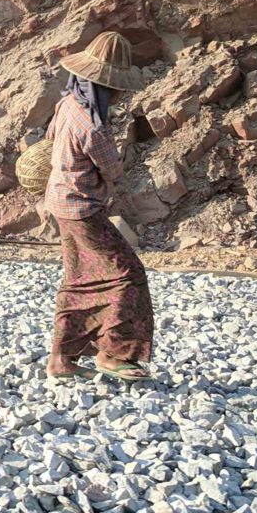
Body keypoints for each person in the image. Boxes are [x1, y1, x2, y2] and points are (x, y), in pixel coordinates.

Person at [41, 32, 154, 380]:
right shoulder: (94, 126)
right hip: (84, 209)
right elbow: (113, 169)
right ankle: (114, 353)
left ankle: (62, 359)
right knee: (127, 277)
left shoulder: (67, 105)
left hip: (60, 202)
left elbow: (48, 139)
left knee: (79, 280)